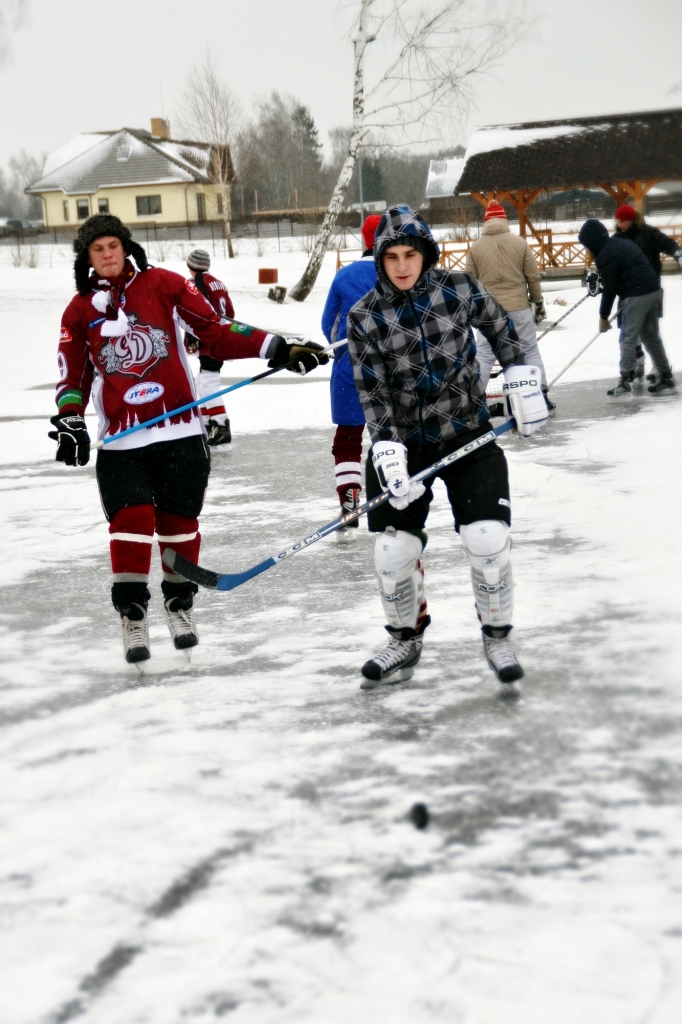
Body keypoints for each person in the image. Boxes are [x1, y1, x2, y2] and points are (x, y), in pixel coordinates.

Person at [50, 214, 327, 664]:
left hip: (179, 431)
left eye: (112, 246)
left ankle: (179, 608)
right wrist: (70, 418)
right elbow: (72, 371)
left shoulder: (165, 284)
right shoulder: (79, 310)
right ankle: (133, 615)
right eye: (96, 250)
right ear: (87, 259)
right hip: (122, 440)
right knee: (132, 521)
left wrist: (276, 347)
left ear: (125, 247)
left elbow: (214, 330)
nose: (106, 255)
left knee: (178, 526)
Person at [346, 205, 548, 688]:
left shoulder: (457, 289)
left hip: (468, 434)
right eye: (391, 256)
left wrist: (520, 378)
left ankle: (497, 636)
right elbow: (371, 390)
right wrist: (386, 449)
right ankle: (404, 637)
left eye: (410, 254)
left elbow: (502, 327)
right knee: (393, 550)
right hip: (404, 443)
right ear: (379, 259)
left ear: (426, 254)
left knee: (486, 538)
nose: (401, 266)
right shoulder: (365, 316)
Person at [321, 215, 381, 542]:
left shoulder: (344, 276)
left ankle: (349, 500)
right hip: (392, 372)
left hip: (350, 368)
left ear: (364, 239)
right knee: (391, 436)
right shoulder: (401, 273)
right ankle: (394, 496)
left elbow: (328, 326)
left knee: (347, 438)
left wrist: (341, 353)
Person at [465, 201, 553, 411]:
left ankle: (475, 401)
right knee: (529, 350)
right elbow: (532, 276)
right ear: (504, 220)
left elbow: (469, 282)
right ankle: (540, 394)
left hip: (488, 312)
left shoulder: (476, 248)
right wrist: (537, 302)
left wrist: (473, 309)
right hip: (519, 307)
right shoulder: (520, 243)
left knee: (485, 355)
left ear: (486, 221)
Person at [578, 218, 676, 396]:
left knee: (627, 337)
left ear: (592, 242)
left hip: (637, 295)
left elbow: (610, 290)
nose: (587, 250)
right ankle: (666, 376)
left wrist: (603, 316)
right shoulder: (620, 243)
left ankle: (625, 379)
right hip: (653, 291)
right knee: (650, 336)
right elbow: (617, 278)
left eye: (586, 245)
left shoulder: (605, 255)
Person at [613, 205, 682, 382]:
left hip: (651, 289)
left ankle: (658, 367)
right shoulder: (617, 238)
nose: (620, 224)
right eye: (618, 221)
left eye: (623, 221)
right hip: (628, 291)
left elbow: (670, 245)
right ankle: (638, 363)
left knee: (650, 332)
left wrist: (678, 254)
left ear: (632, 220)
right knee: (629, 331)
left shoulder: (649, 233)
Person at [183, 249, 235, 447]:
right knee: (202, 380)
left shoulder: (195, 284)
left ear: (190, 266)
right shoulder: (218, 282)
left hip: (209, 338)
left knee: (209, 380)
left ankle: (221, 425)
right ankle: (206, 423)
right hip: (221, 334)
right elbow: (229, 311)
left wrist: (191, 336)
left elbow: (193, 312)